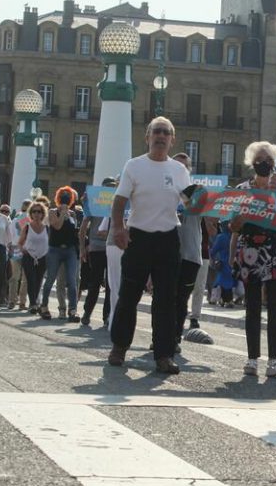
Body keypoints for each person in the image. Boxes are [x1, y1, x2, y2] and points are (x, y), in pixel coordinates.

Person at [107, 116, 192, 375]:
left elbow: (191, 202)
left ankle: (164, 355)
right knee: (129, 295)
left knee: (166, 299)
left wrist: (212, 205)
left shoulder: (179, 171)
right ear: (147, 137)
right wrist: (118, 228)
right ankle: (119, 347)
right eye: (157, 131)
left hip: (168, 238)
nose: (161, 136)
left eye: (166, 132)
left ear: (172, 140)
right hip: (139, 237)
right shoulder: (134, 165)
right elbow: (119, 201)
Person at [230, 141, 276, 378]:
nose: (264, 163)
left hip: (275, 252)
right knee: (252, 306)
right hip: (251, 253)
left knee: (275, 306)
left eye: (269, 160)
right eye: (259, 159)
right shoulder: (242, 190)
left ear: (275, 163)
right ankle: (252, 359)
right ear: (251, 162)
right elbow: (233, 226)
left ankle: (274, 360)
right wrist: (232, 251)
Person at [170, 153, 204, 352]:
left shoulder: (198, 192)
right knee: (164, 298)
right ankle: (161, 336)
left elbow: (209, 215)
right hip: (166, 252)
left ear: (190, 170)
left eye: (185, 166)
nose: (181, 169)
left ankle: (174, 338)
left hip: (190, 254)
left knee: (181, 299)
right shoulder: (163, 189)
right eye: (177, 165)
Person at [39, 186, 80, 322]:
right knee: (50, 279)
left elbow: (74, 232)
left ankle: (72, 310)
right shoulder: (52, 212)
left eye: (68, 198)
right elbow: (57, 226)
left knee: (72, 281)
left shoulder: (73, 214)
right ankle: (44, 306)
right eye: (63, 197)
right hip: (55, 250)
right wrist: (62, 213)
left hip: (70, 250)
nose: (65, 200)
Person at [79, 177, 116, 327]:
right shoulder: (97, 204)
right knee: (100, 282)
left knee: (105, 283)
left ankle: (100, 314)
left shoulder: (114, 204)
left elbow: (83, 228)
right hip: (101, 247)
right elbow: (82, 228)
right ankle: (91, 313)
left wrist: (83, 248)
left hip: (108, 247)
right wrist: (82, 248)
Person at [17, 201, 48, 314]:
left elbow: (50, 243)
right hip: (29, 256)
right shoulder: (27, 227)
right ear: (31, 213)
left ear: (43, 214)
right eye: (34, 211)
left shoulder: (47, 228)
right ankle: (33, 304)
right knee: (31, 279)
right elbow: (20, 242)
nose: (36, 214)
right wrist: (22, 249)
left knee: (39, 280)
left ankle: (35, 302)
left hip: (42, 257)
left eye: (39, 212)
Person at [7, 200, 30, 309]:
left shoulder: (15, 220)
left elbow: (10, 236)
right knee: (23, 278)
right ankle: (20, 302)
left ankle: (14, 301)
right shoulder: (30, 220)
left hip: (19, 250)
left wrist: (10, 247)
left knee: (15, 277)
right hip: (24, 250)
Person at [210, 220, 236, 307]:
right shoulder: (234, 236)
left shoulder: (221, 237)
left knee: (222, 281)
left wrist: (212, 256)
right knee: (229, 281)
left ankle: (224, 299)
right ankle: (228, 300)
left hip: (223, 262)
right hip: (233, 262)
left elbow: (214, 250)